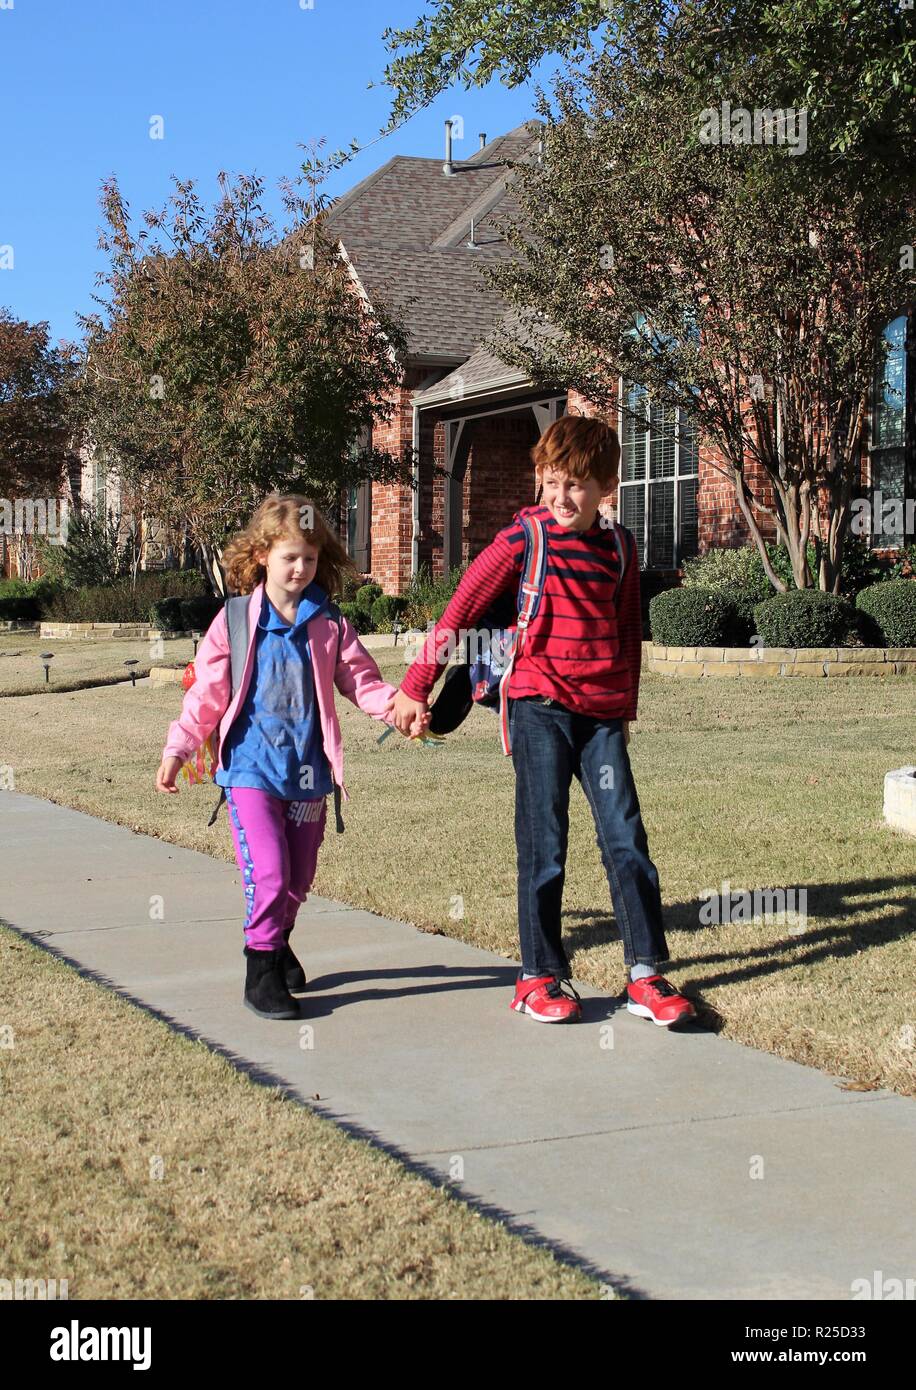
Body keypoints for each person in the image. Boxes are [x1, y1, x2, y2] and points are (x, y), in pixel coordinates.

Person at [392, 414, 695, 1027]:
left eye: (577, 485)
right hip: (537, 708)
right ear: (538, 479)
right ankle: (538, 975)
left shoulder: (620, 547)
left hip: (602, 716)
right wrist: (415, 686)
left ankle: (644, 973)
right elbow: (462, 611)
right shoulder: (522, 540)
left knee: (625, 840)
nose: (562, 496)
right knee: (545, 842)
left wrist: (627, 710)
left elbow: (629, 632)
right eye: (552, 481)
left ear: (607, 486)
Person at [155, 494, 421, 1020]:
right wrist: (178, 750)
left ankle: (279, 941)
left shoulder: (329, 622)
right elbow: (205, 696)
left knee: (298, 878)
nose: (301, 568)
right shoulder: (234, 620)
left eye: (311, 557)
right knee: (271, 874)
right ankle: (260, 971)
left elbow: (360, 682)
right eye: (289, 557)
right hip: (251, 769)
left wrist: (397, 710)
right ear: (261, 556)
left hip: (308, 773)